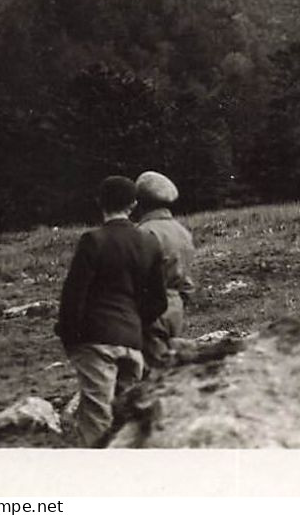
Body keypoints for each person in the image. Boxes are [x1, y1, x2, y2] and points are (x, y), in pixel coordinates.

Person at [56, 175, 168, 446]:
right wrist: (135, 324)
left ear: (99, 203)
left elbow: (74, 296)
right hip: (131, 341)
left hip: (95, 341)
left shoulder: (93, 240)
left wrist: (70, 337)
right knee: (127, 417)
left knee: (97, 416)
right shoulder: (149, 242)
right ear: (133, 205)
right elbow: (159, 301)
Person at [134, 170, 196, 368]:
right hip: (175, 307)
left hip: (151, 308)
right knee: (168, 360)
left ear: (140, 202)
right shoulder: (182, 231)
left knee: (155, 370)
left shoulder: (143, 232)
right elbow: (188, 280)